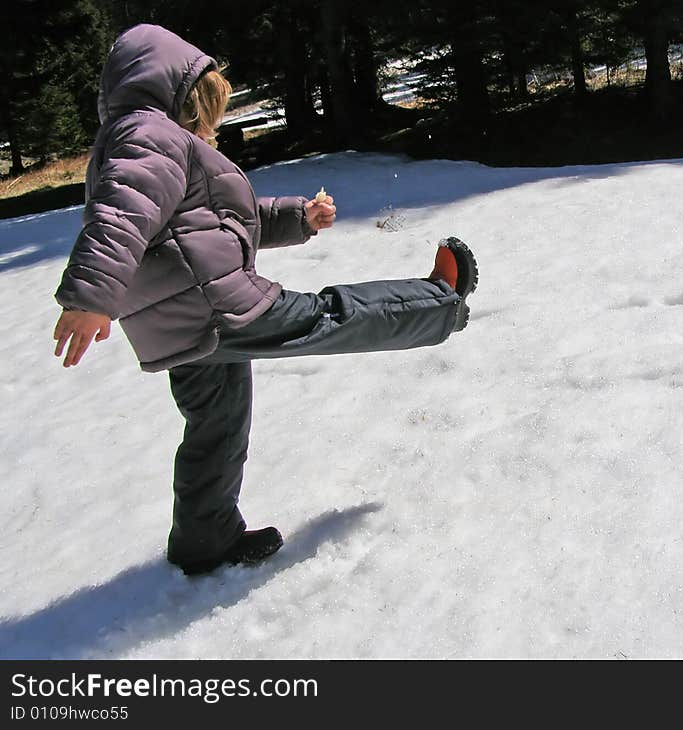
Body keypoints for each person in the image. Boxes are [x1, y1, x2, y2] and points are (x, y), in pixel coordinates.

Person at [52, 25, 478, 576]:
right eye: (207, 108)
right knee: (330, 317)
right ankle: (439, 301)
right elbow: (120, 216)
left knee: (217, 425)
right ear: (178, 95)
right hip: (214, 304)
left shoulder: (142, 136)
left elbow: (220, 220)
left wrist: (298, 216)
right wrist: (90, 295)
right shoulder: (145, 135)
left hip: (186, 324)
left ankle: (205, 541)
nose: (211, 125)